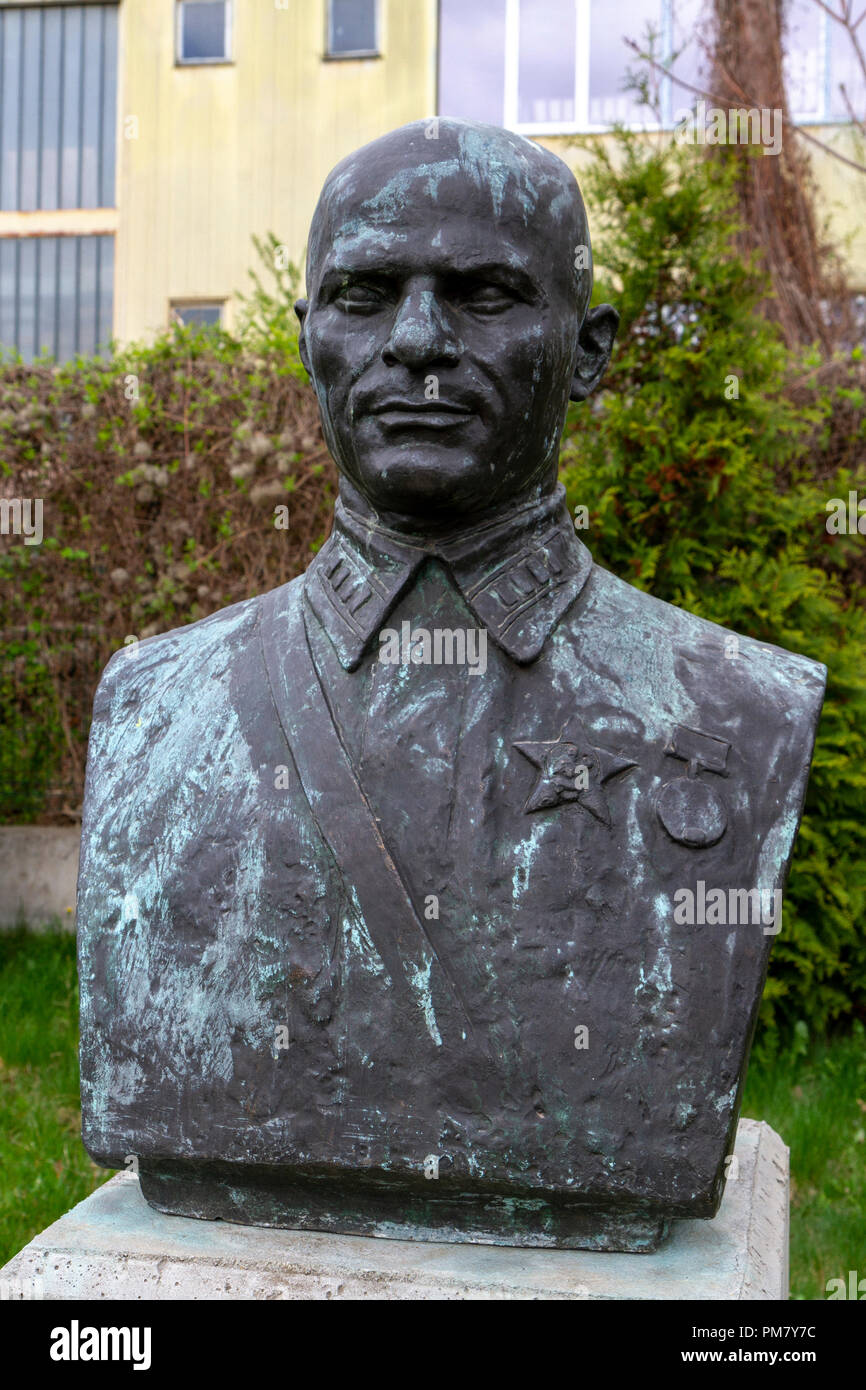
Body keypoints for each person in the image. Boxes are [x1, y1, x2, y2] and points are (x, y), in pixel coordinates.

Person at [78, 120, 825, 1250]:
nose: (418, 341)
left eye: (481, 295)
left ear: (585, 351)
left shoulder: (738, 711)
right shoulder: (152, 706)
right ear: (307, 338)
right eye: (367, 294)